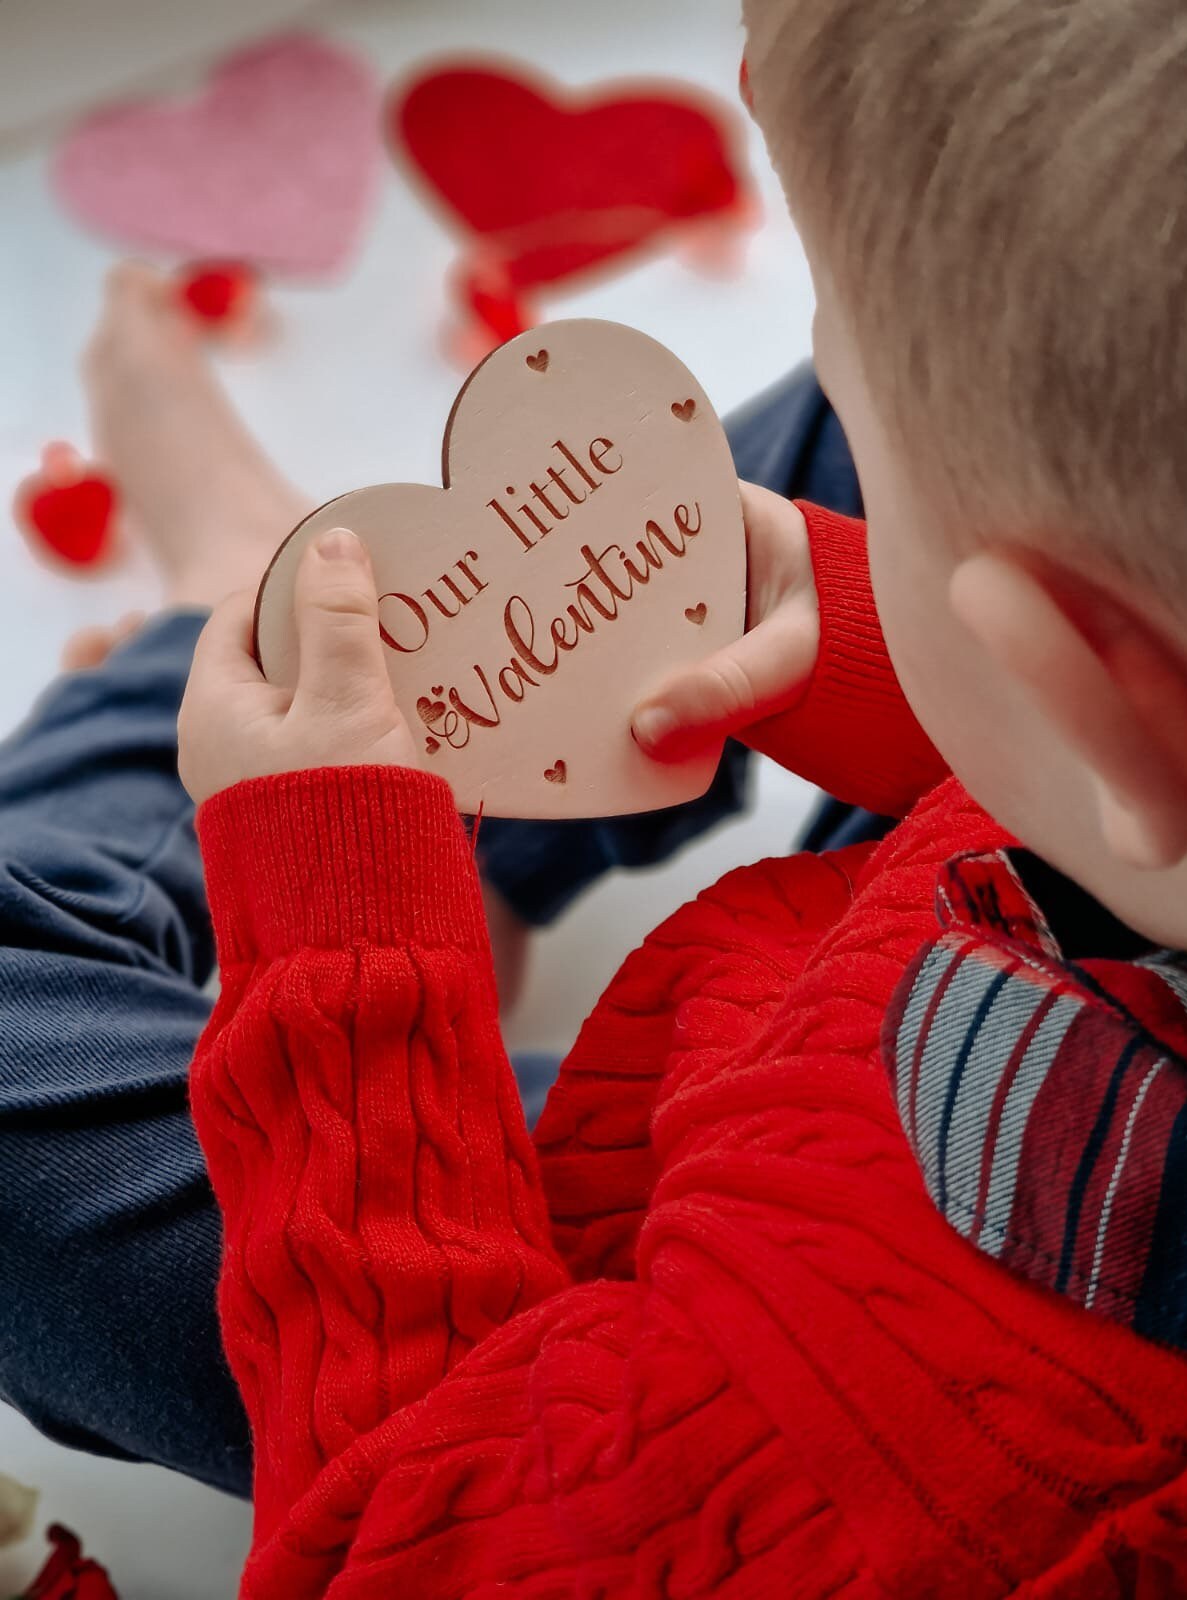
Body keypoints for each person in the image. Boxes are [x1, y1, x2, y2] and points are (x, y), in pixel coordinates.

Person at [176, 0, 1187, 1592]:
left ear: (1091, 687)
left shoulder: (861, 1449)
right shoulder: (1145, 782)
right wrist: (870, 636)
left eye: (856, 430)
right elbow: (1130, 809)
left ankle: (224, 597)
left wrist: (342, 954)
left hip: (624, 1333)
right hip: (898, 968)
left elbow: (400, 1549)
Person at [0, 271, 862, 1493]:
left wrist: (348, 894)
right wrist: (870, 630)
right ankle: (477, 794)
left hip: (694, 1263)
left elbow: (441, 1503)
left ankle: (245, 631)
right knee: (937, 382)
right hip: (962, 959)